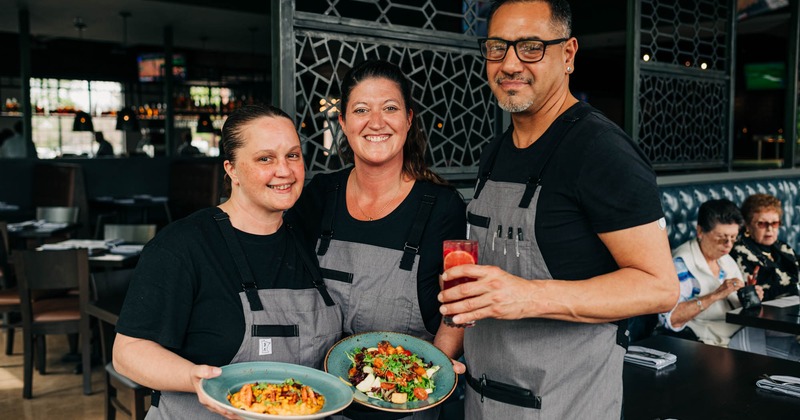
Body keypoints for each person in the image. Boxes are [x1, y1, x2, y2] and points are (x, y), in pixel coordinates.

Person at [436, 1, 678, 418]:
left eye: (531, 47)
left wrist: (528, 295)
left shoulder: (602, 151)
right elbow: (477, 288)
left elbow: (660, 287)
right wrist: (435, 361)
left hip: (566, 405)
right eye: (497, 47)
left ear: (568, 54)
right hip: (481, 403)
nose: (510, 64)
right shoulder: (496, 151)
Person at [113, 105, 342, 419]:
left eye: (292, 155)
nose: (285, 170)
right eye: (265, 158)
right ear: (231, 169)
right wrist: (192, 378)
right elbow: (128, 352)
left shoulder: (309, 240)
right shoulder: (183, 245)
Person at [287, 59, 467, 419]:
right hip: (318, 402)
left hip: (406, 406)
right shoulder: (320, 195)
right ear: (342, 122)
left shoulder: (443, 207)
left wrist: (431, 377)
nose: (376, 122)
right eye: (360, 110)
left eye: (390, 108)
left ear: (409, 119)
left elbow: (458, 306)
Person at [659, 199, 764, 346]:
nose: (728, 245)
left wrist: (749, 296)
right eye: (721, 237)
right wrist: (715, 295)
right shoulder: (682, 264)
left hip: (738, 333)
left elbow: (735, 305)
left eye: (733, 237)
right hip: (705, 341)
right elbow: (670, 319)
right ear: (700, 231)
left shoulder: (725, 259)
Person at [730, 193, 800, 300]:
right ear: (747, 226)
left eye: (775, 223)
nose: (769, 229)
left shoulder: (781, 247)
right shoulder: (740, 252)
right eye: (762, 224)